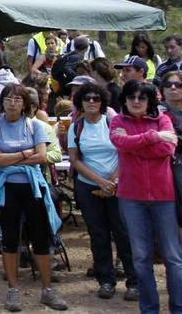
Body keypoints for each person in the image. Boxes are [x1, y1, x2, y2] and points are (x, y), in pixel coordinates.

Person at [0, 83, 66, 312]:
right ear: (2, 103)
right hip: (7, 189)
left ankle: (47, 290)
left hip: (33, 188)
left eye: (17, 99)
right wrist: (25, 153)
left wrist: (11, 157)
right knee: (9, 239)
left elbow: (41, 156)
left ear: (25, 103)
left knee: (40, 238)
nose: (12, 103)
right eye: (8, 99)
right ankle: (13, 290)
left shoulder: (35, 125)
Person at [111, 80, 182, 314]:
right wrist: (154, 137)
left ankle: (178, 308)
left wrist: (136, 143)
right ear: (125, 99)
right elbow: (120, 143)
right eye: (132, 97)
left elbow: (168, 149)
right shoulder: (118, 121)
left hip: (164, 197)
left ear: (150, 100)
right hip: (131, 198)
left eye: (142, 97)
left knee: (173, 256)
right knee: (141, 257)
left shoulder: (163, 119)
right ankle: (149, 309)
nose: (136, 101)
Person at [67, 83, 137, 302]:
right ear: (80, 102)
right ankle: (105, 279)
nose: (91, 102)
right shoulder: (76, 127)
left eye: (96, 98)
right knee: (98, 234)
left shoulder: (113, 122)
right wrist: (100, 181)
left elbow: (125, 152)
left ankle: (134, 281)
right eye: (87, 98)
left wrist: (113, 181)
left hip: (118, 185)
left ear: (102, 102)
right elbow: (75, 160)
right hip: (89, 186)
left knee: (123, 233)